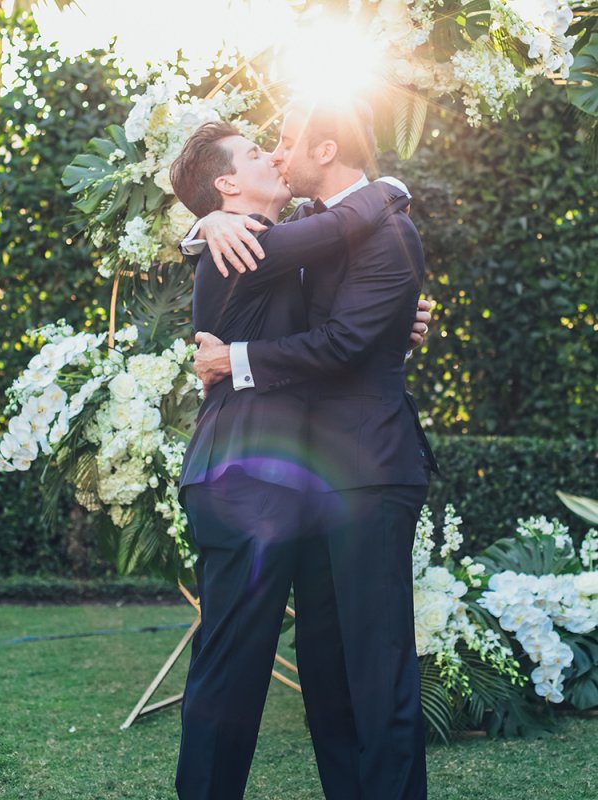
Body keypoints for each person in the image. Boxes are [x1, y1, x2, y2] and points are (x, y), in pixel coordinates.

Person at [188, 98, 438, 800]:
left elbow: (345, 341)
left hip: (359, 473)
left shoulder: (377, 231)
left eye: (286, 141)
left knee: (366, 668)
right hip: (274, 480)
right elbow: (299, 272)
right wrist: (205, 223)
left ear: (325, 151)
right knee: (310, 669)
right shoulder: (266, 233)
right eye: (261, 149)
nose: (275, 152)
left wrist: (391, 321)